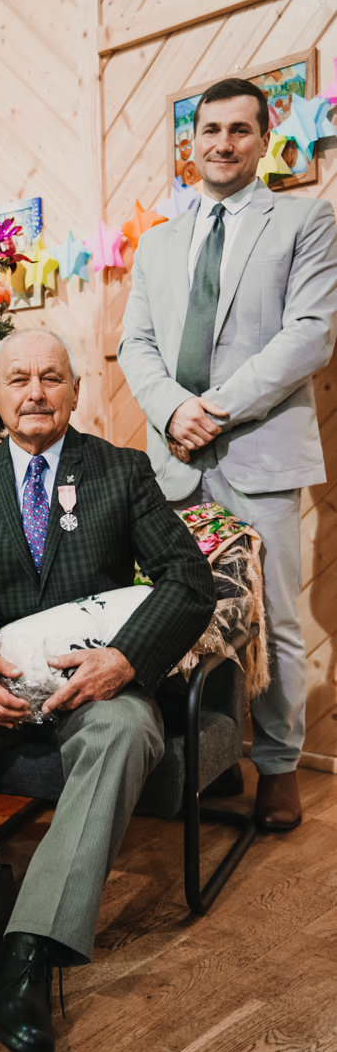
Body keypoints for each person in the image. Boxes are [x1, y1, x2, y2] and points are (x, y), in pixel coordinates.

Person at [0, 328, 215, 1052]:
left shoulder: (121, 470)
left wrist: (124, 660)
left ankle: (28, 952)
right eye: (18, 379)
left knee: (127, 730)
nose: (35, 393)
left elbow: (188, 578)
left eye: (52, 378)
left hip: (95, 691)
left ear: (76, 392)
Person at [117, 77, 337, 833]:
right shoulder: (158, 242)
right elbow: (135, 343)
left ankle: (278, 767)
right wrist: (173, 410)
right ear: (192, 141)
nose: (223, 143)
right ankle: (212, 759)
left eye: (240, 129)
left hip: (257, 449)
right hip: (172, 457)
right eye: (210, 130)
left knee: (272, 617)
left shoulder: (306, 220)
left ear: (264, 138)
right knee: (186, 611)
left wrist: (213, 409)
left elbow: (311, 333)